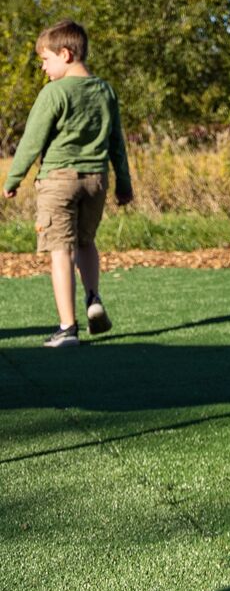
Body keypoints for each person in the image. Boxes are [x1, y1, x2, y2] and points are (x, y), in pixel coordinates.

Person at [3, 19, 133, 347]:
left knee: (60, 250)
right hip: (96, 180)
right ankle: (93, 297)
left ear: (65, 54)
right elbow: (117, 142)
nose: (43, 68)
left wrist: (13, 178)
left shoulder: (54, 92)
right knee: (86, 242)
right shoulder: (105, 91)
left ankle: (67, 328)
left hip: (58, 180)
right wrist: (124, 184)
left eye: (46, 60)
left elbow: (32, 140)